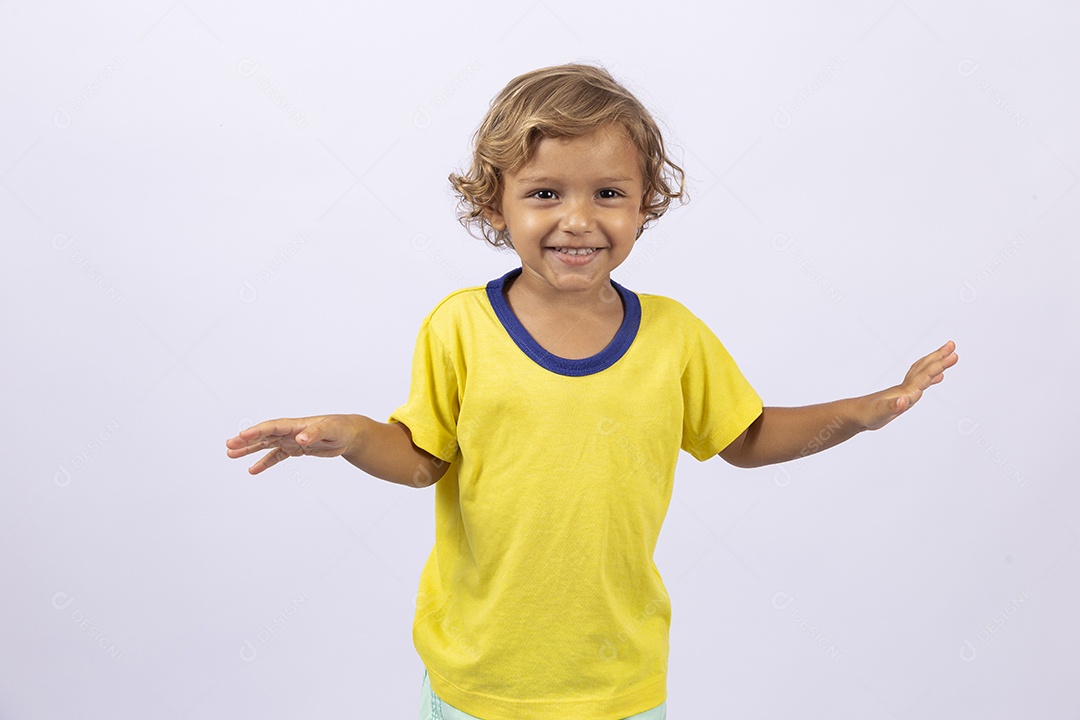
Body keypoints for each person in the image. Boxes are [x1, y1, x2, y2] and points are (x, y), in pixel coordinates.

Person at [225, 63, 958, 720]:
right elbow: (423, 460)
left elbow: (748, 436)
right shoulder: (460, 328)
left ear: (645, 205)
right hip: (478, 682)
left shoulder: (673, 337)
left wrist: (863, 412)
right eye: (545, 193)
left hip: (619, 685)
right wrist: (352, 436)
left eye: (608, 193)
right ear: (494, 206)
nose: (578, 218)